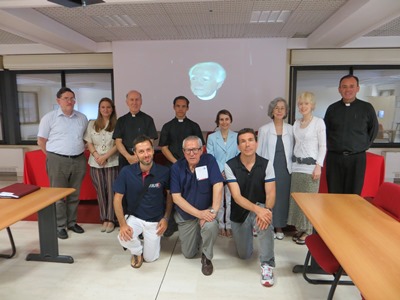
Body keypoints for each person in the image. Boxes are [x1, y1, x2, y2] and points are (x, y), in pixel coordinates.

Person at [225, 128, 276, 287]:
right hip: (240, 211)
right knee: (244, 255)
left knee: (265, 221)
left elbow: (271, 194)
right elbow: (237, 197)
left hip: (260, 207)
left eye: (250, 140)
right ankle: (249, 231)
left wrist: (265, 211)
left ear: (256, 143)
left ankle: (267, 264)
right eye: (243, 141)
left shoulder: (266, 164)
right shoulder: (230, 165)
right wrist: (258, 210)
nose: (247, 144)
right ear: (238, 146)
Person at [113, 135, 172, 269]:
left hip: (155, 220)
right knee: (122, 237)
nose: (146, 154)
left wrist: (166, 218)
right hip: (135, 217)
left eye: (148, 150)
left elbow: (170, 196)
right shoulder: (126, 172)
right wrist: (123, 225)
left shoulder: (164, 172)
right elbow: (117, 199)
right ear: (135, 153)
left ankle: (147, 245)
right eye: (141, 151)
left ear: (153, 150)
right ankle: (136, 251)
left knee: (150, 259)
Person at [37, 87, 88, 240]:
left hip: (78, 160)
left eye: (72, 98)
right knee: (58, 196)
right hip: (56, 160)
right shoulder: (49, 118)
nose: (70, 101)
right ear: (58, 101)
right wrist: (52, 157)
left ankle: (72, 222)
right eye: (66, 98)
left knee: (74, 194)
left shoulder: (82, 118)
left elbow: (85, 139)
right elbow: (41, 141)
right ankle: (60, 226)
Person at [170, 136, 224, 276]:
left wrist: (212, 211)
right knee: (189, 254)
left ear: (201, 150)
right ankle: (198, 236)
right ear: (183, 151)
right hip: (187, 215)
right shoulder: (177, 167)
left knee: (210, 225)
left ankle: (206, 257)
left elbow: (218, 185)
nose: (192, 153)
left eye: (195, 149)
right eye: (188, 150)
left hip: (207, 211)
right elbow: (176, 198)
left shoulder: (209, 161)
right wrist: (199, 214)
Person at [159, 96, 205, 237]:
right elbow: (163, 148)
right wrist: (177, 163)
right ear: (174, 107)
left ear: (187, 108)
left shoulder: (194, 126)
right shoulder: (167, 126)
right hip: (173, 165)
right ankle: (171, 224)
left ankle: (192, 220)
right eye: (178, 106)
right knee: (171, 194)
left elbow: (200, 147)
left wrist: (189, 162)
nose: (180, 109)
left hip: (192, 166)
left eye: (183, 106)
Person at [324, 74, 379, 194]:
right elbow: (325, 132)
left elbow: (373, 130)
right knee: (334, 194)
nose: (347, 90)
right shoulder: (332, 109)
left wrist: (362, 146)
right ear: (339, 89)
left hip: (357, 159)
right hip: (334, 158)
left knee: (354, 195)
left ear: (357, 88)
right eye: (344, 87)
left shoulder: (367, 108)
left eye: (351, 86)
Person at [287, 92, 326, 245]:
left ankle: (309, 231)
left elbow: (323, 146)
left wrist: (319, 166)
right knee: (297, 200)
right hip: (297, 167)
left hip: (311, 168)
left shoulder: (319, 123)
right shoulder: (296, 123)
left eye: (306, 104)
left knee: (309, 201)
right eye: (301, 104)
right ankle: (301, 228)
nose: (303, 106)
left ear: (312, 105)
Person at [257, 98, 293, 240]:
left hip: (285, 169)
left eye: (282, 108)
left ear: (286, 112)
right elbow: (259, 152)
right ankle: (268, 225)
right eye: (276, 108)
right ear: (272, 110)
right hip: (269, 169)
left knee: (282, 198)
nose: (279, 110)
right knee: (269, 197)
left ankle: (279, 226)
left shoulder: (291, 129)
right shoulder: (264, 129)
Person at [84, 97, 119, 233]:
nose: (106, 110)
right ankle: (103, 218)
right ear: (99, 109)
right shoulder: (92, 123)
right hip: (95, 162)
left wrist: (106, 156)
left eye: (108, 107)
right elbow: (89, 142)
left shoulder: (117, 123)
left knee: (111, 191)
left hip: (112, 161)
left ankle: (111, 219)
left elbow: (118, 143)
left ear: (112, 109)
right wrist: (97, 156)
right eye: (103, 107)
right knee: (100, 192)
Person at [206, 109, 239, 238]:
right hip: (217, 173)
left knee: (231, 201)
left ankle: (229, 225)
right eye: (221, 119)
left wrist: (228, 171)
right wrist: (221, 171)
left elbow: (238, 156)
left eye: (227, 119)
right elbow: (210, 157)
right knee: (218, 200)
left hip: (232, 172)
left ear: (230, 120)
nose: (224, 122)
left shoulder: (236, 136)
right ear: (217, 121)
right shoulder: (212, 137)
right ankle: (220, 224)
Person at [113, 90, 158, 170]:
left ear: (141, 102)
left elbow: (150, 140)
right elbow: (118, 141)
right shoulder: (121, 120)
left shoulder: (148, 119)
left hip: (144, 158)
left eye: (137, 99)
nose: (134, 102)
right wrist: (128, 157)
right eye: (132, 100)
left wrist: (139, 156)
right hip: (125, 158)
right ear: (127, 102)